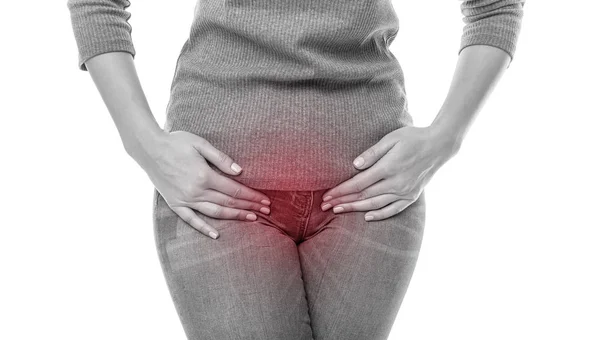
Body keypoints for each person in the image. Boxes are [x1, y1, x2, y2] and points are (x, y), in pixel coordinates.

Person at [66, 0, 525, 339]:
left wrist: (447, 136)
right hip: (216, 188)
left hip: (372, 190)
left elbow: (495, 6)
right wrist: (142, 143)